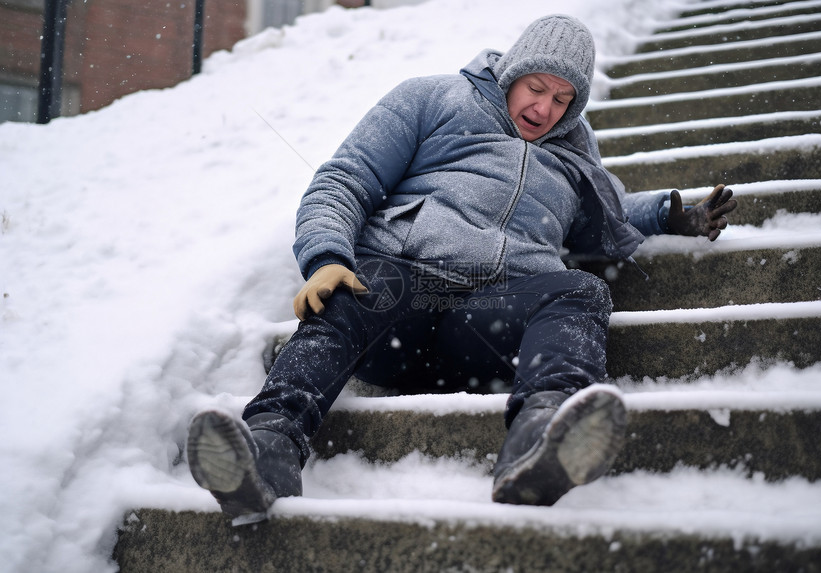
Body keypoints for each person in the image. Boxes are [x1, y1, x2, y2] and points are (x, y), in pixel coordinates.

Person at [186, 14, 737, 523]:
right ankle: (269, 448)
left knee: (582, 289)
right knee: (365, 285)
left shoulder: (575, 157)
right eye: (537, 88)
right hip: (401, 300)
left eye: (564, 99)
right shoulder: (434, 97)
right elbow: (344, 180)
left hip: (487, 320)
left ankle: (541, 439)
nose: (546, 109)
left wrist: (677, 216)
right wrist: (327, 257)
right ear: (511, 73)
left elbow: (613, 215)